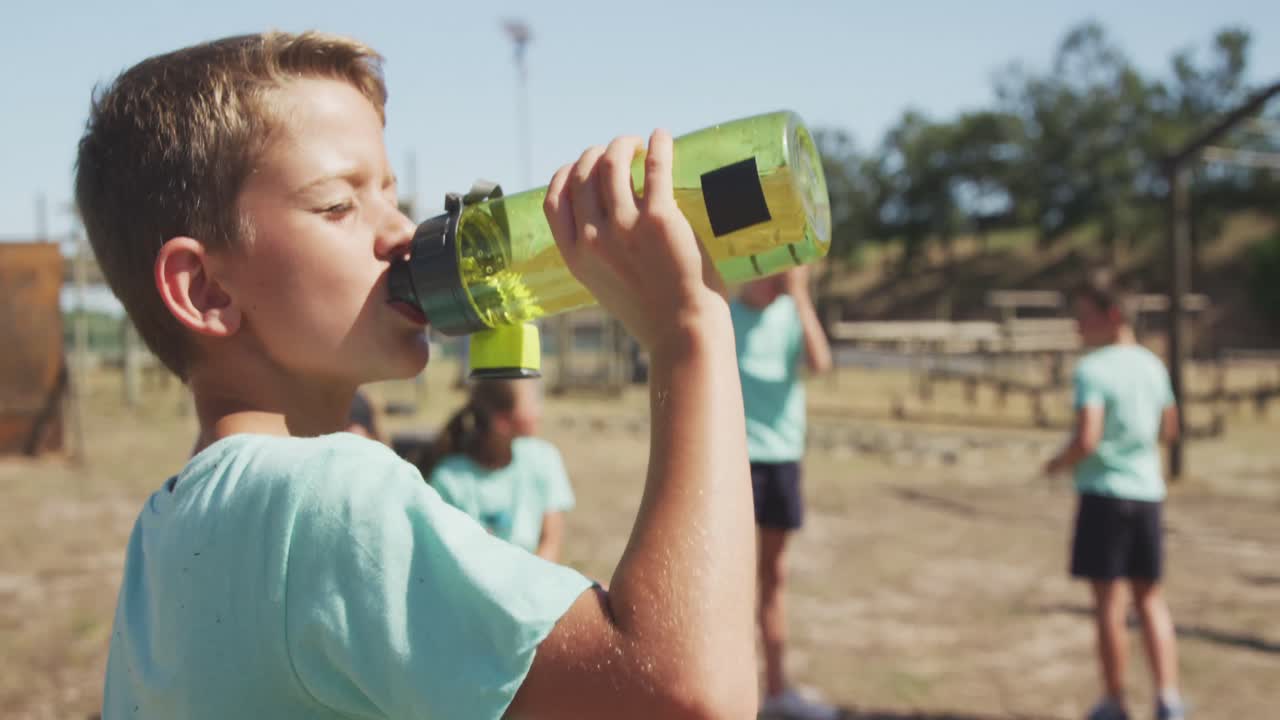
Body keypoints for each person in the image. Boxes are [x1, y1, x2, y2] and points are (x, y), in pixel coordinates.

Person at [79, 31, 756, 719]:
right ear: (206, 290)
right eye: (338, 205)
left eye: (390, 195)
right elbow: (684, 694)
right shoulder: (324, 499)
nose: (403, 231)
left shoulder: (165, 527)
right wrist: (688, 330)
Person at [1043, 273, 1186, 720]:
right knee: (1151, 598)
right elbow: (1170, 428)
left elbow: (1088, 437)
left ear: (1112, 316)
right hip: (1147, 494)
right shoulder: (1153, 366)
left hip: (1105, 496)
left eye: (1084, 316)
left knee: (1110, 603)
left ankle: (1115, 700)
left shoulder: (1093, 369)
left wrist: (1058, 463)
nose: (1077, 326)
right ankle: (1168, 698)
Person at [730, 265, 835, 719]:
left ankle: (775, 690)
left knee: (774, 579)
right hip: (734, 462)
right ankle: (730, 695)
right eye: (771, 274)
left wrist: (801, 297)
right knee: (729, 581)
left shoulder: (791, 315)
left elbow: (821, 363)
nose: (776, 282)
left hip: (781, 461)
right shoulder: (725, 316)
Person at [416, 379, 574, 562]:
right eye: (533, 402)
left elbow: (551, 542)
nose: (540, 412)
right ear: (502, 421)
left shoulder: (544, 458)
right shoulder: (448, 479)